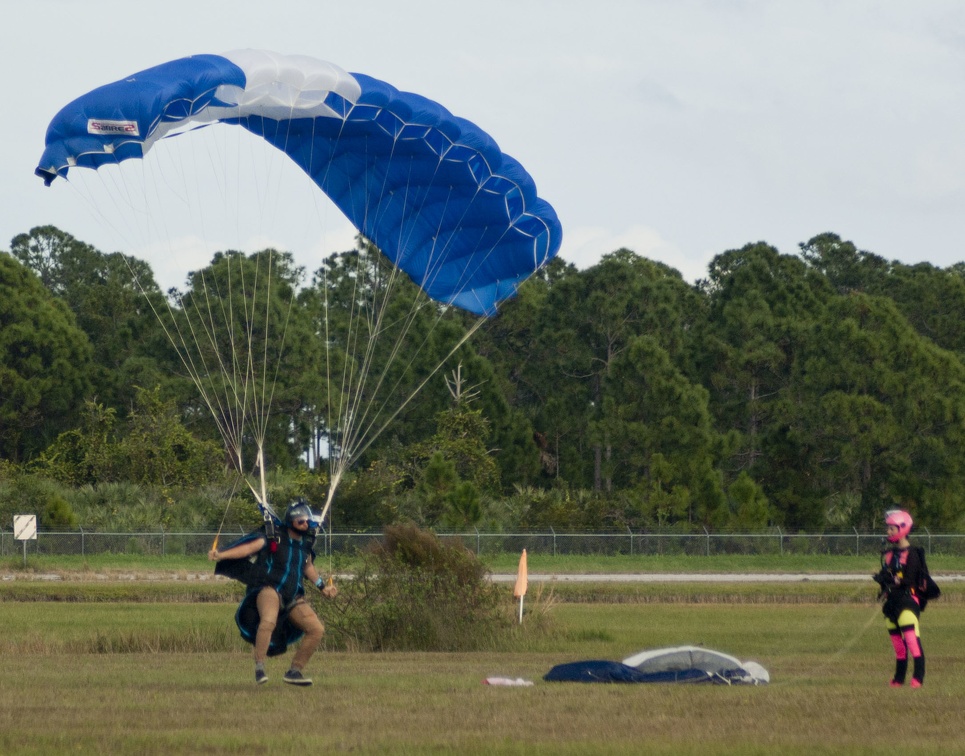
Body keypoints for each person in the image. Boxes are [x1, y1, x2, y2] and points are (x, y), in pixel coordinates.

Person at [209, 500, 338, 686]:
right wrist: (221, 554)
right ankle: (260, 667)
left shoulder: (306, 544)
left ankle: (294, 671)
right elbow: (248, 548)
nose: (305, 524)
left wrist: (322, 586)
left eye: (307, 521)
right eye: (301, 521)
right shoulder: (274, 537)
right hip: (269, 588)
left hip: (293, 595)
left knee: (316, 629)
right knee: (268, 620)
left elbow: (308, 566)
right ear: (291, 521)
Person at [873, 509, 926, 689]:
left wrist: (894, 579)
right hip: (891, 603)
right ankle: (898, 679)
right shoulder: (889, 555)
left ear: (902, 528)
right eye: (888, 528)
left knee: (911, 640)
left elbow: (909, 579)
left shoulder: (913, 554)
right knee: (898, 645)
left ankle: (918, 678)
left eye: (892, 528)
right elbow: (886, 576)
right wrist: (882, 579)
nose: (888, 532)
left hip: (907, 602)